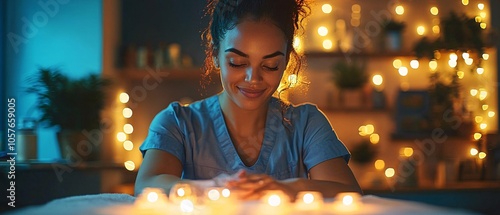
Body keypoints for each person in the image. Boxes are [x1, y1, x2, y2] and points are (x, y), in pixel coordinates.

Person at [135, 0, 362, 200]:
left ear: (287, 62)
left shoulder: (306, 124)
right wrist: (214, 188)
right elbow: (147, 185)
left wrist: (287, 189)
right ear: (215, 55)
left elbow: (348, 192)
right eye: (237, 63)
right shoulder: (176, 122)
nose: (253, 79)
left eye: (270, 65)